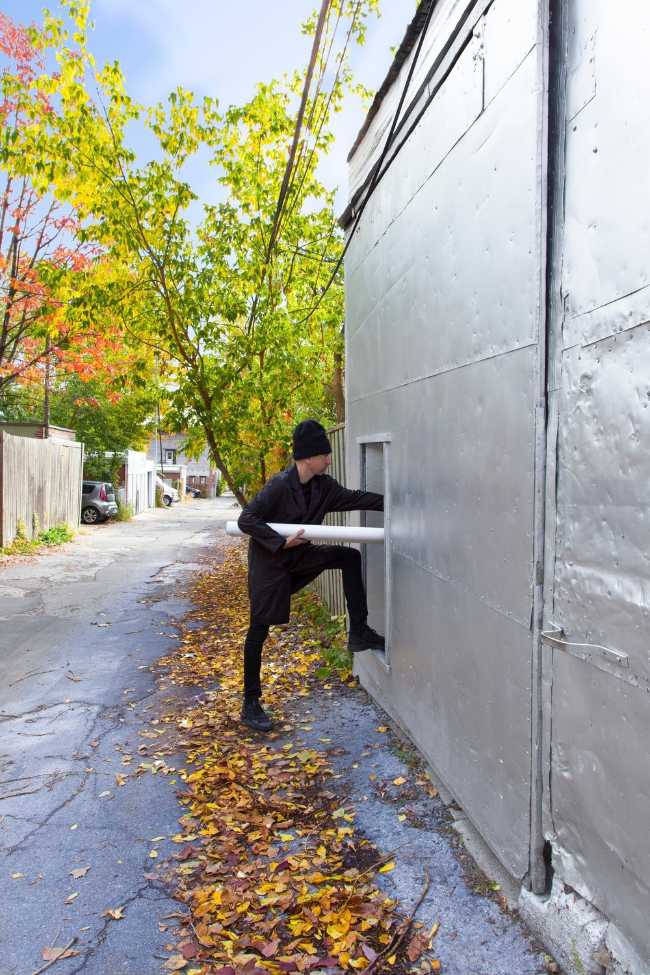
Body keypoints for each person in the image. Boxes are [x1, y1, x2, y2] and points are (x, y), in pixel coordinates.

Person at [237, 419, 385, 732]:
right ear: (307, 457)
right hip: (270, 567)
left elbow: (356, 498)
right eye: (324, 455)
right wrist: (281, 542)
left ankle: (359, 630)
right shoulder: (279, 485)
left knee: (349, 557)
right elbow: (246, 519)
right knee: (258, 629)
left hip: (300, 558)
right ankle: (250, 703)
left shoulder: (324, 487)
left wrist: (396, 503)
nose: (329, 460)